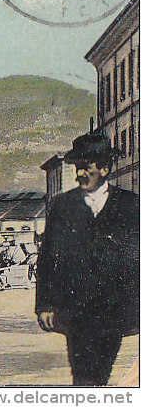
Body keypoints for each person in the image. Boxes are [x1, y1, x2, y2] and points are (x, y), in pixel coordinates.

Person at [36, 132, 139, 386]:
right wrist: (45, 304)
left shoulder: (130, 206)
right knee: (82, 375)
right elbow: (48, 257)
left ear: (104, 168)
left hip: (113, 312)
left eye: (86, 168)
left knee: (101, 372)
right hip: (76, 312)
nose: (79, 174)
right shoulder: (62, 207)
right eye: (77, 168)